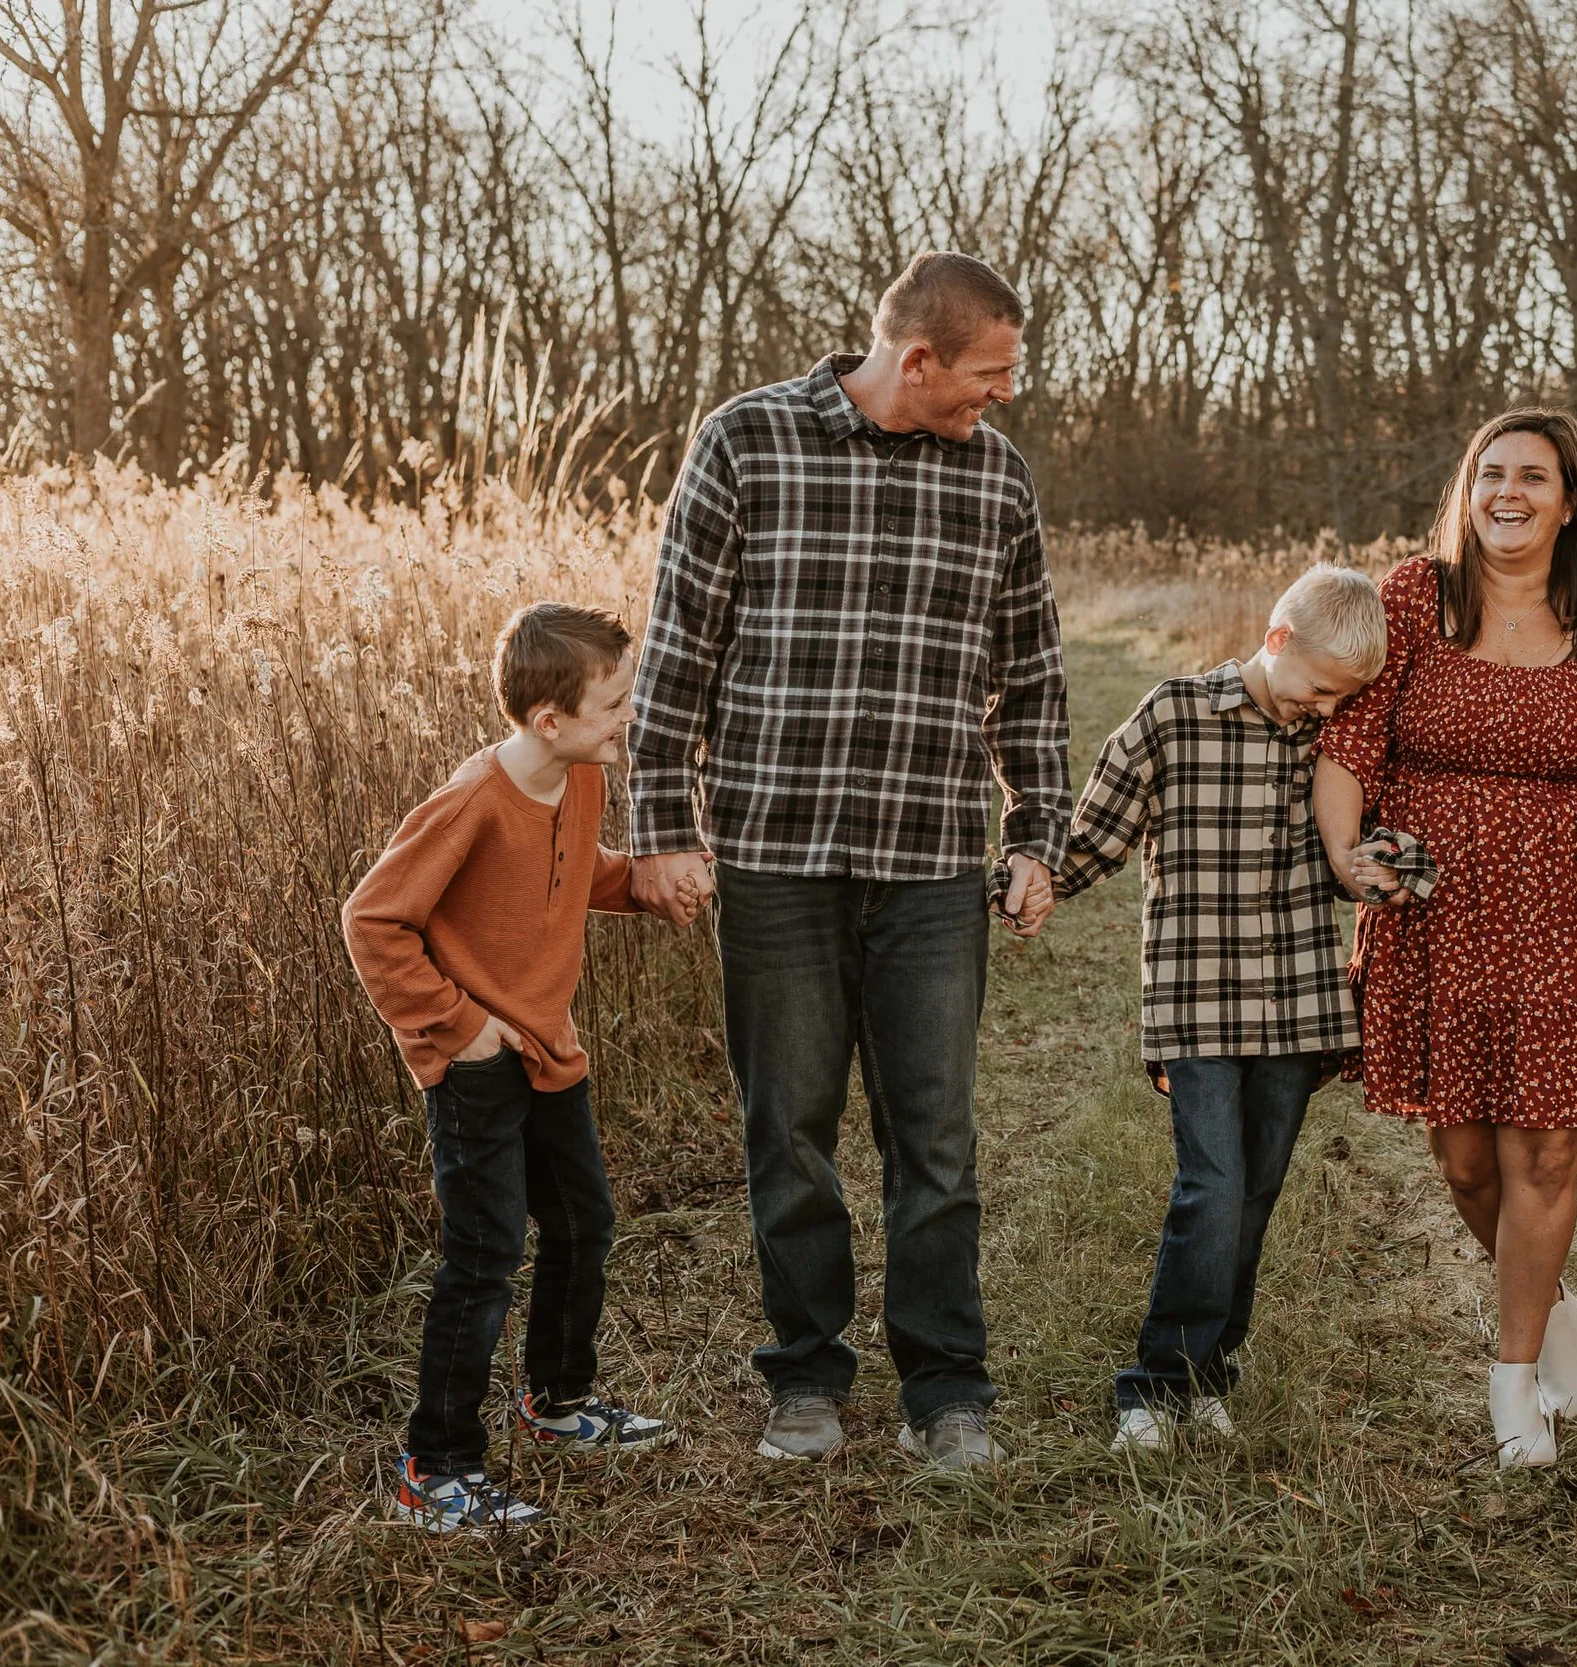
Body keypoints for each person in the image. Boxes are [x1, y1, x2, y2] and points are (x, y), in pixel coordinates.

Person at [627, 251, 1071, 1470]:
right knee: (792, 1129)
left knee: (935, 1140)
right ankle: (805, 1378)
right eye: (987, 375)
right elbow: (678, 654)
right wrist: (663, 827)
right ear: (915, 358)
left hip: (931, 860)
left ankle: (946, 1387)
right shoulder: (746, 443)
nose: (1002, 397)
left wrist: (1037, 832)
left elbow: (1029, 677)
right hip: (776, 852)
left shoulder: (998, 482)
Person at [1313, 408, 1577, 1469]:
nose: (1509, 492)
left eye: (1535, 475)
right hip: (1435, 914)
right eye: (1492, 472)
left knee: (1544, 1148)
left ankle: (1513, 1376)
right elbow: (1352, 738)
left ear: (1570, 502)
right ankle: (1555, 1303)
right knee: (1466, 1157)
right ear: (1466, 490)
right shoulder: (1410, 597)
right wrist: (1348, 854)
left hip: (1567, 914)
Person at [343, 602, 699, 1533]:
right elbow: (373, 920)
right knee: (487, 1250)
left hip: (551, 1049)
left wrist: (648, 884)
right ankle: (437, 1463)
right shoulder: (472, 800)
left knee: (584, 1222)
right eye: (617, 701)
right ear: (551, 719)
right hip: (478, 1066)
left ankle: (557, 1401)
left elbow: (572, 873)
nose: (633, 715)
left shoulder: (578, 781)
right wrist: (459, 1027)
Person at [1049, 565, 1389, 1453]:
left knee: (1258, 1192)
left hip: (1298, 1004)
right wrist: (1028, 884)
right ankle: (1152, 1384)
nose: (1323, 709)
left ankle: (1209, 1370)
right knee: (1213, 1184)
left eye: (1340, 699)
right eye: (1318, 688)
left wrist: (1394, 867)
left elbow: (1356, 845)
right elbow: (1094, 833)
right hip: (1198, 1000)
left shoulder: (1327, 743)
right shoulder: (1173, 715)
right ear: (1277, 641)